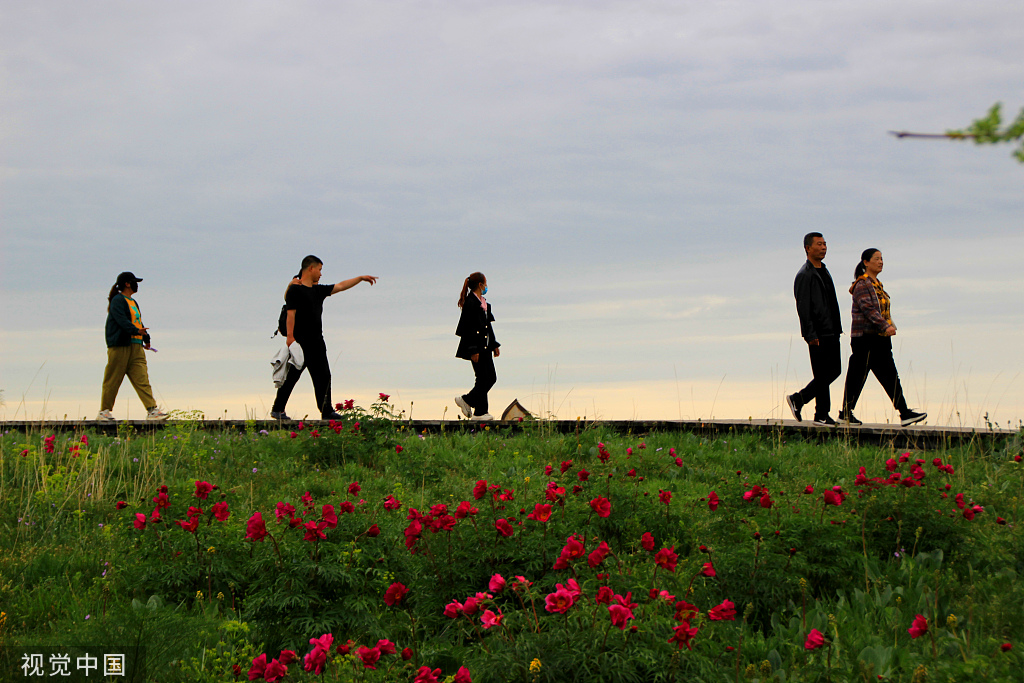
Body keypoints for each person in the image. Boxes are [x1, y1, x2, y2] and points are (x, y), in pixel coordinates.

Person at [270, 255, 377, 420]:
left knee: (324, 376)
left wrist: (360, 278)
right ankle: (278, 409)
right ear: (310, 268)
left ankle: (326, 411)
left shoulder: (318, 291)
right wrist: (290, 338)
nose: (321, 273)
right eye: (319, 269)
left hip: (317, 342)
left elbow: (340, 286)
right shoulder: (295, 290)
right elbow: (291, 314)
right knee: (292, 376)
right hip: (300, 342)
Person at [838, 249, 927, 427]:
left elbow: (882, 310)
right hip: (865, 338)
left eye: (881, 259)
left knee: (889, 375)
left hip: (879, 339)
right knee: (858, 376)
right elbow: (868, 309)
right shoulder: (862, 284)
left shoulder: (877, 284)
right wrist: (885, 326)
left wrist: (888, 326)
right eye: (876, 259)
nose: (880, 262)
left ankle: (904, 412)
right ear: (866, 262)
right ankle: (846, 413)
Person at [788, 233, 843, 426]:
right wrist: (809, 334)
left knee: (834, 370)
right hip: (818, 333)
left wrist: (837, 327)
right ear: (807, 248)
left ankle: (807, 404)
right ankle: (816, 410)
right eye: (819, 244)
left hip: (832, 330)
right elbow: (803, 307)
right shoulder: (805, 274)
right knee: (823, 373)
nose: (824, 247)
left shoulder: (824, 271)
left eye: (825, 244)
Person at [98, 272, 168, 421]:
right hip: (120, 346)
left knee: (142, 379)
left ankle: (152, 410)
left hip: (136, 347)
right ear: (127, 284)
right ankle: (104, 412)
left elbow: (138, 322)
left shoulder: (133, 302)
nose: (137, 285)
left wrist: (146, 337)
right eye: (135, 282)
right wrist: (136, 331)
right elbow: (122, 320)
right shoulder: (118, 300)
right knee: (113, 379)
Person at [454, 272, 501, 421]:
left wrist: (494, 344)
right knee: (487, 378)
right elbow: (468, 328)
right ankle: (467, 400)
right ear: (480, 285)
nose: (487, 286)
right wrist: (473, 350)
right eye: (485, 283)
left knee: (486, 378)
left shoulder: (483, 303)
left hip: (485, 347)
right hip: (477, 348)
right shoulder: (470, 303)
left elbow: (487, 327)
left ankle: (480, 412)